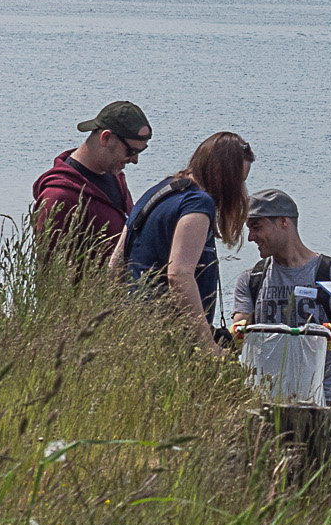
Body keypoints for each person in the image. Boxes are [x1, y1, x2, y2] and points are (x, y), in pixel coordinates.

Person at [115, 132, 253, 355]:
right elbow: (179, 274)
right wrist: (209, 347)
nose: (238, 191)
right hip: (170, 340)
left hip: (134, 327)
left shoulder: (156, 192)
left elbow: (117, 262)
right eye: (236, 182)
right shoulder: (198, 203)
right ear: (221, 175)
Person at [230, 188, 331, 409]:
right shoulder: (251, 279)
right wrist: (239, 331)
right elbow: (240, 326)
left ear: (283, 222)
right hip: (266, 398)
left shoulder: (330, 273)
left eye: (256, 227)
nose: (251, 237)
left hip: (323, 399)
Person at [30, 101, 151, 266]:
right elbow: (49, 272)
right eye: (131, 151)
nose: (135, 160)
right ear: (106, 138)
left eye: (140, 151)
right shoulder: (58, 197)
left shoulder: (116, 177)